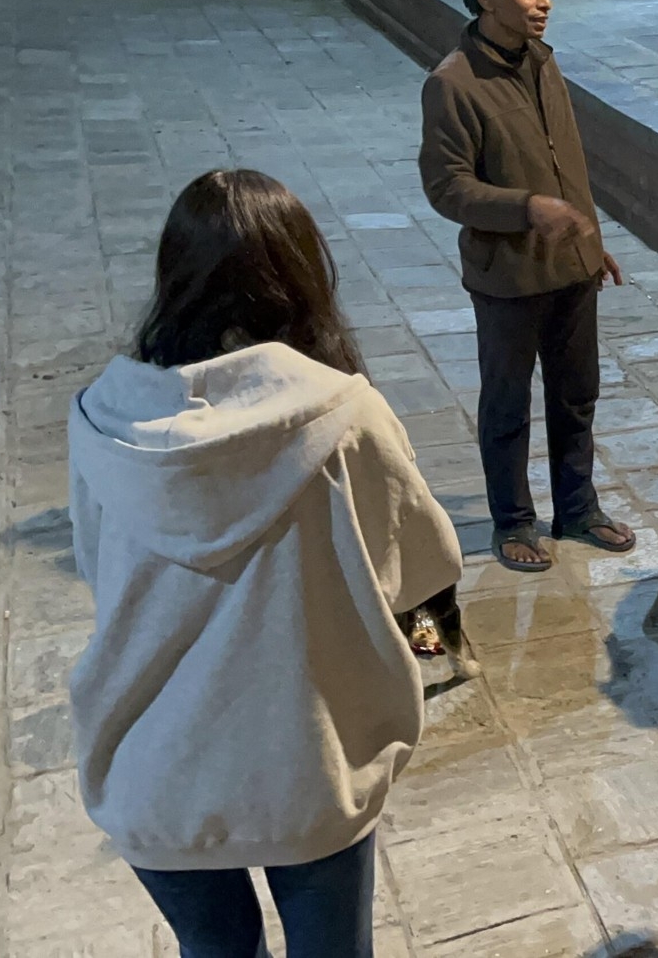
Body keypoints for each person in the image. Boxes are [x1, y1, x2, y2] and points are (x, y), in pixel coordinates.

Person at [67, 169, 465, 956]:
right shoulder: (344, 414)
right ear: (302, 275)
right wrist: (426, 655)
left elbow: (96, 569)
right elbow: (422, 576)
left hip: (152, 770)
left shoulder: (99, 420)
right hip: (306, 763)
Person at [419, 0, 633, 572]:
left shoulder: (543, 61)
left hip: (571, 268)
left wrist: (591, 241)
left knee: (576, 396)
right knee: (508, 405)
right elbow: (447, 187)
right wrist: (526, 208)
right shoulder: (453, 83)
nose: (544, 2)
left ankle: (578, 509)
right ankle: (513, 521)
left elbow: (567, 164)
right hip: (507, 277)